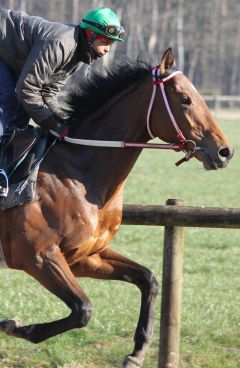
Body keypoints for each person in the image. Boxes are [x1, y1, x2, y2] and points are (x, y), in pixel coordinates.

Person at [0, 7, 125, 196]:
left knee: (22, 113)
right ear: (90, 34)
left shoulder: (77, 54)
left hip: (10, 57)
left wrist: (63, 121)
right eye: (106, 41)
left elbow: (49, 91)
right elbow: (27, 89)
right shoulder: (60, 44)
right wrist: (50, 123)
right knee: (11, 106)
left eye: (112, 43)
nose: (108, 49)